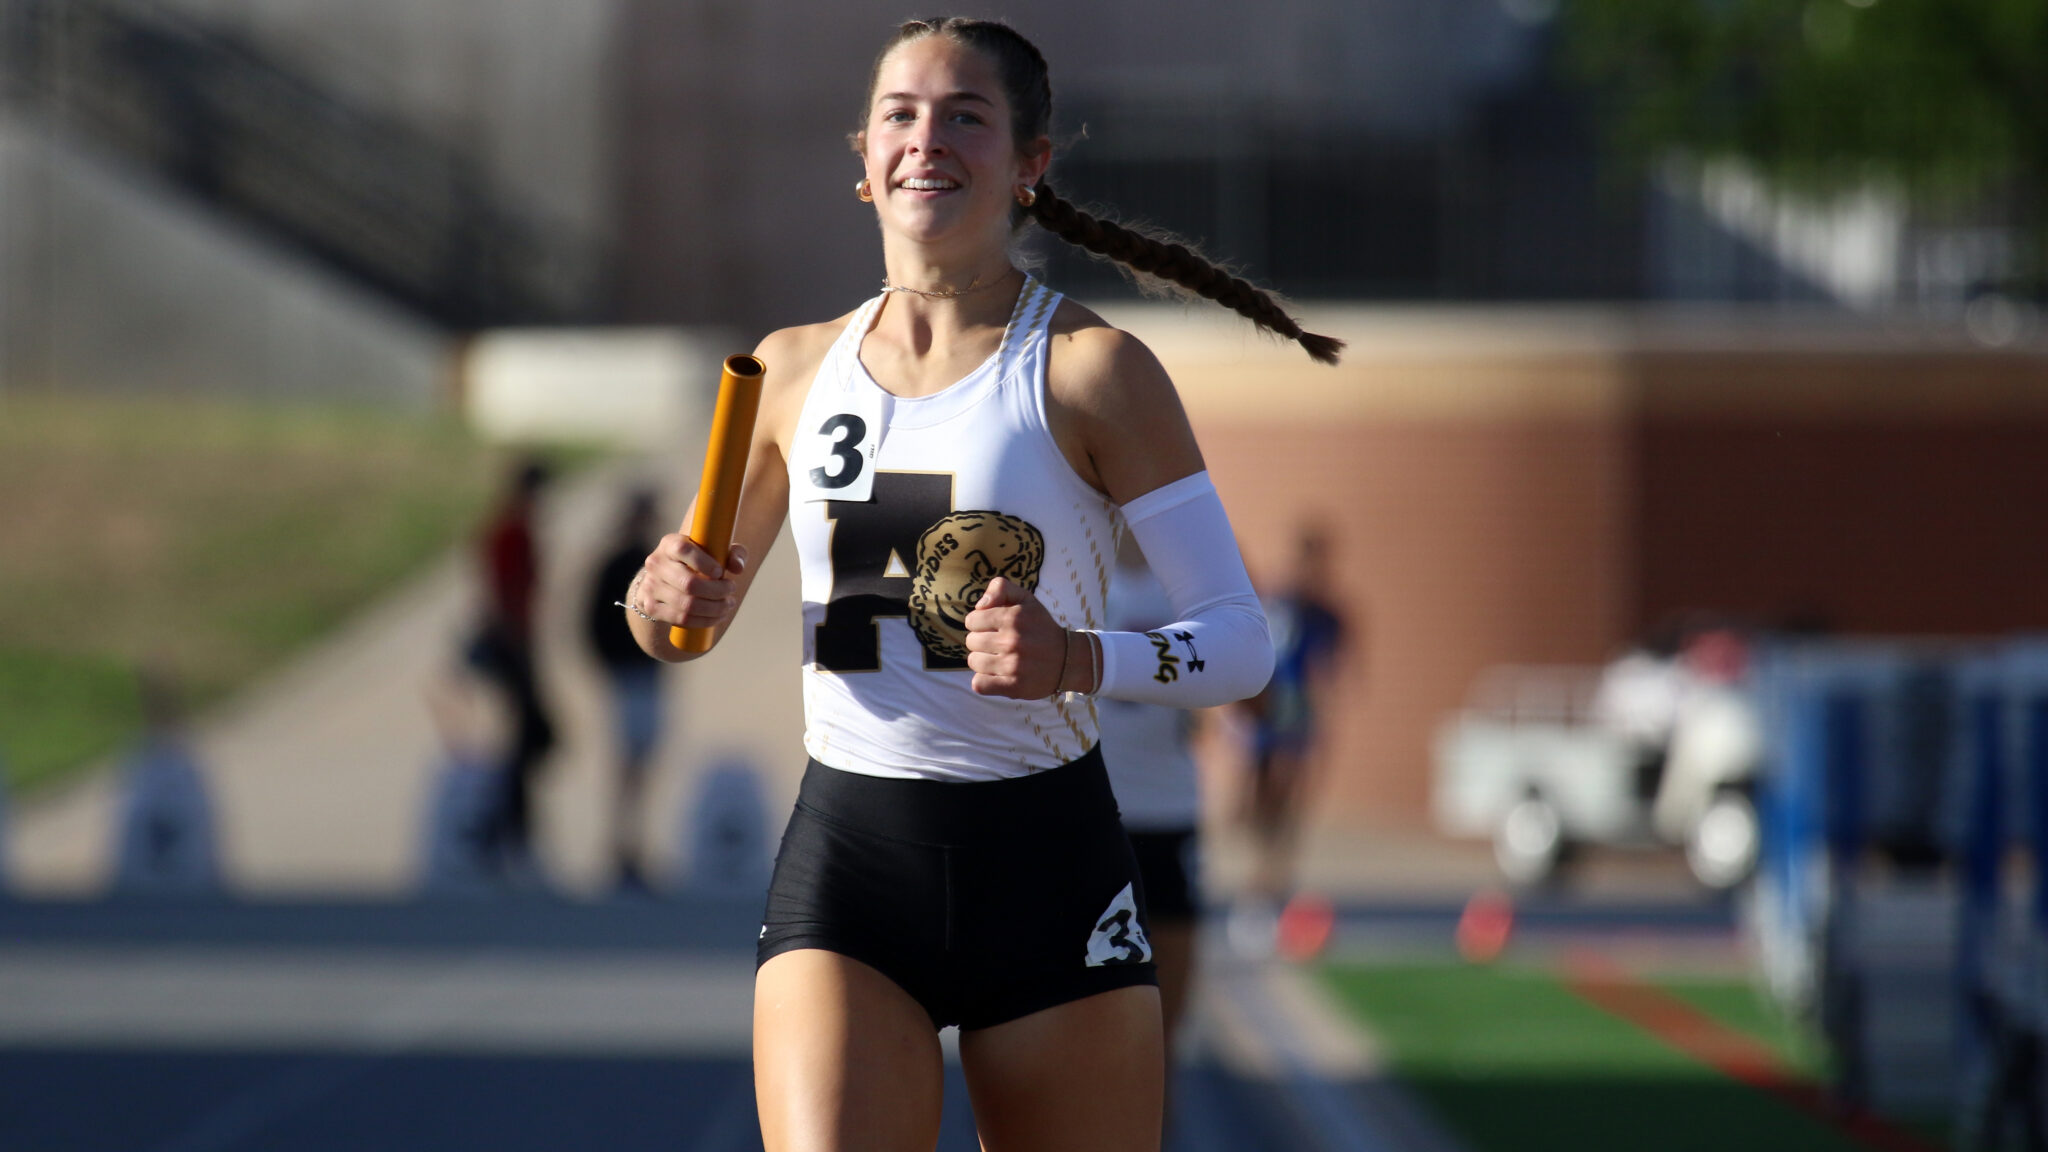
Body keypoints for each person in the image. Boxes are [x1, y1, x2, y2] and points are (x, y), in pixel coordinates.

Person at [620, 18, 1340, 1151]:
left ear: (1029, 163)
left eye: (966, 116)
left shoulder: (1093, 370)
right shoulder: (789, 370)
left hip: (1048, 870)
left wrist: (1076, 657)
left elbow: (1242, 643)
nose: (927, 140)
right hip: (850, 866)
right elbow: (679, 622)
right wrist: (651, 600)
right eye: (900, 115)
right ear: (861, 158)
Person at [1096, 533, 1204, 1063]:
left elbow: (1256, 691)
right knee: (1082, 1032)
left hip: (1167, 810)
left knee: (1164, 1039)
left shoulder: (1191, 562)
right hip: (1086, 815)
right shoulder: (1072, 547)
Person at [1236, 523, 1349, 944]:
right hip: (1267, 706)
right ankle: (1260, 878)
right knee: (1256, 800)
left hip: (1297, 712)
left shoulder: (1327, 614)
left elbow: (1333, 671)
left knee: (1290, 795)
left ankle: (1271, 884)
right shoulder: (1276, 602)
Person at [470, 456, 555, 881]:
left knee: (527, 745)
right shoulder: (511, 530)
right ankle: (501, 835)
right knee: (525, 744)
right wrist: (520, 652)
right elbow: (504, 596)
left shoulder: (512, 528)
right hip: (512, 646)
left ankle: (503, 834)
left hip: (518, 644)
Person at [583, 486, 669, 892]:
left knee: (638, 766)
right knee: (629, 766)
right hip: (631, 675)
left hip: (644, 674)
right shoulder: (624, 563)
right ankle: (621, 849)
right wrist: (612, 665)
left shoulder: (633, 562)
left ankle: (629, 847)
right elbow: (595, 623)